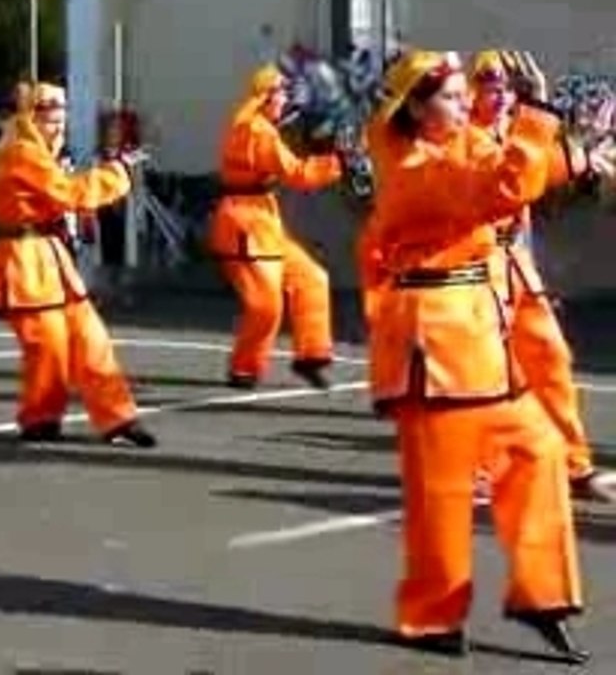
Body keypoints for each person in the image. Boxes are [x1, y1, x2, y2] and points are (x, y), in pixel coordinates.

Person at [362, 49, 614, 664]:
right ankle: (430, 616)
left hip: (477, 342)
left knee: (540, 450)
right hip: (433, 345)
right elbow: (501, 186)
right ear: (414, 110)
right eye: (448, 98)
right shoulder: (413, 166)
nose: (463, 106)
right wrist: (538, 119)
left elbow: (508, 165)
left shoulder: (455, 145)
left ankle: (542, 596)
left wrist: (578, 151)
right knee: (441, 495)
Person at [468, 50, 616, 503]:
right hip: (476, 273)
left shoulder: (512, 131)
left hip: (517, 270)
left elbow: (540, 169)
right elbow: (518, 179)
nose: (502, 95)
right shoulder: (465, 138)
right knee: (490, 376)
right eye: (492, 85)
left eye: (509, 87)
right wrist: (574, 150)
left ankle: (574, 465)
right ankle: (477, 471)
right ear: (474, 91)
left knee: (551, 362)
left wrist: (587, 153)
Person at [0, 82, 156, 448]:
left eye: (62, 111)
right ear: (31, 114)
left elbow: (66, 192)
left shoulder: (40, 152)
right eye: (50, 111)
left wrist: (112, 168)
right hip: (25, 260)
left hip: (50, 257)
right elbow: (68, 194)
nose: (59, 120)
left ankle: (118, 417)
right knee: (48, 345)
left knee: (90, 338)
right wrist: (117, 171)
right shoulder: (21, 151)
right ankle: (41, 418)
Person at [209, 64, 344, 391]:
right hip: (244, 225)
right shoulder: (257, 131)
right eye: (281, 93)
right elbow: (297, 173)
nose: (286, 98)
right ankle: (244, 369)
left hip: (264, 222)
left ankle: (311, 357)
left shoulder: (258, 126)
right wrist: (338, 161)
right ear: (266, 97)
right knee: (265, 305)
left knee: (312, 279)